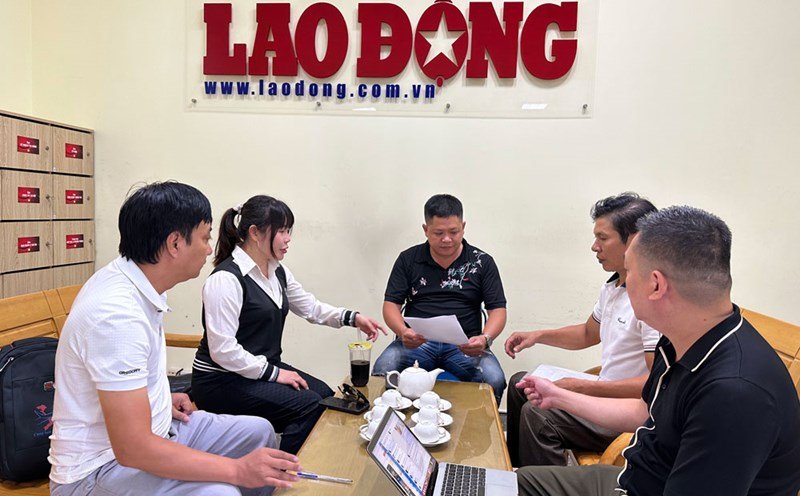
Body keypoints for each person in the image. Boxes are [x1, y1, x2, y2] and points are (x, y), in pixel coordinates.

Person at [516, 206, 800, 496]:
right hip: (636, 476)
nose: (624, 281)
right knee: (514, 484)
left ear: (655, 285)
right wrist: (559, 397)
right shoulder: (681, 337)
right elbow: (644, 410)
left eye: (629, 271)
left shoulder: (734, 394)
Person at [48, 182, 301, 496]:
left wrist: (159, 398)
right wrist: (237, 470)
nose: (209, 249)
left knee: (258, 432)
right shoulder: (116, 315)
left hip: (159, 429)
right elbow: (133, 449)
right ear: (175, 243)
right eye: (205, 237)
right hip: (100, 467)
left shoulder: (141, 281)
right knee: (219, 493)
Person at [191, 195, 386, 454]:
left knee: (325, 394)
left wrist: (353, 317)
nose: (288, 238)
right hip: (221, 380)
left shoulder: (277, 271)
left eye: (288, 231)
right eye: (281, 231)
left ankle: (299, 460)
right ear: (255, 233)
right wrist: (275, 374)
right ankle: (287, 473)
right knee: (310, 406)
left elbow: (310, 307)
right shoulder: (225, 280)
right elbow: (223, 351)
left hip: (258, 369)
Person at [503, 193, 660, 467]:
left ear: (634, 240)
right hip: (603, 389)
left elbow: (656, 383)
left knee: (538, 415)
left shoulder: (650, 299)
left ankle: (544, 483)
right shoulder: (613, 287)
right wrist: (537, 336)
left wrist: (583, 387)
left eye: (603, 238)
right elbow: (588, 334)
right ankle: (516, 472)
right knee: (521, 384)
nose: (594, 247)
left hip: (624, 409)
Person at [372, 194, 507, 405]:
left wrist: (485, 339)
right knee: (382, 371)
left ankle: (480, 426)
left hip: (465, 345)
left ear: (463, 227)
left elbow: (497, 310)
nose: (447, 239)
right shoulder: (409, 259)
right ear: (426, 229)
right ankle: (391, 422)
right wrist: (403, 331)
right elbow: (391, 304)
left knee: (494, 379)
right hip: (417, 342)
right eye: (438, 233)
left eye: (454, 232)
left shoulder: (482, 262)